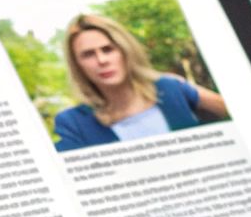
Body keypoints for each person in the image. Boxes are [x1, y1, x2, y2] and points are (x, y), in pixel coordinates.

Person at [52, 13, 227, 151]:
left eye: (108, 49)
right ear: (77, 65)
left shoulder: (169, 88)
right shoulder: (73, 123)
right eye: (88, 54)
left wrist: (186, 87)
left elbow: (241, 112)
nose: (101, 60)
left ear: (125, 50)